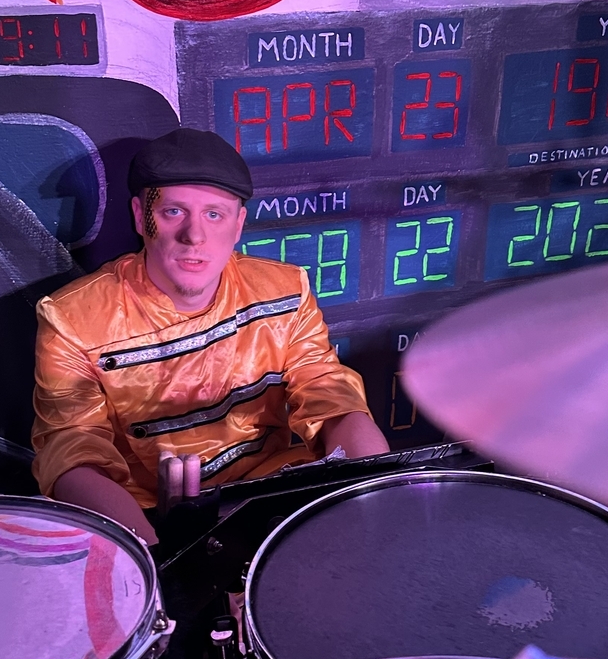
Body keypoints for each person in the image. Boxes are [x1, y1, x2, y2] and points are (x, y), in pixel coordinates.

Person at [31, 127, 388, 545]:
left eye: (214, 215)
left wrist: (374, 497)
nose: (194, 236)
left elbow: (330, 396)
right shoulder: (73, 318)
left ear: (238, 225)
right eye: (173, 212)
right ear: (140, 217)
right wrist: (153, 558)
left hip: (266, 493)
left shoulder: (285, 292)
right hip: (141, 514)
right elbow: (72, 451)